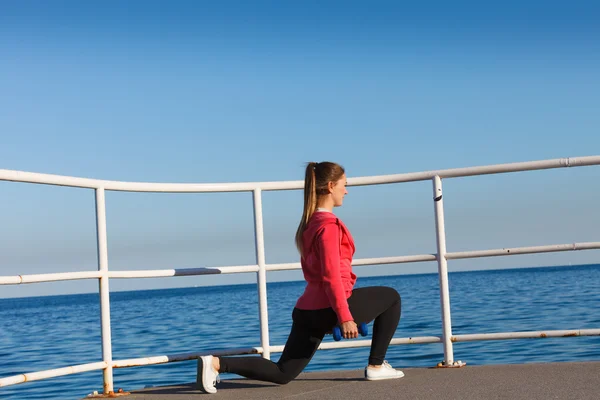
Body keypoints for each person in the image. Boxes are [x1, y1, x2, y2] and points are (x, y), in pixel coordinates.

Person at [198, 161, 404, 394]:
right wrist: (345, 316)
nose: (346, 191)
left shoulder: (309, 224)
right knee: (392, 297)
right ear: (330, 186)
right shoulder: (329, 227)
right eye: (344, 185)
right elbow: (331, 276)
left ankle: (216, 364)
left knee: (283, 372)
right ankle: (376, 365)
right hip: (330, 308)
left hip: (307, 312)